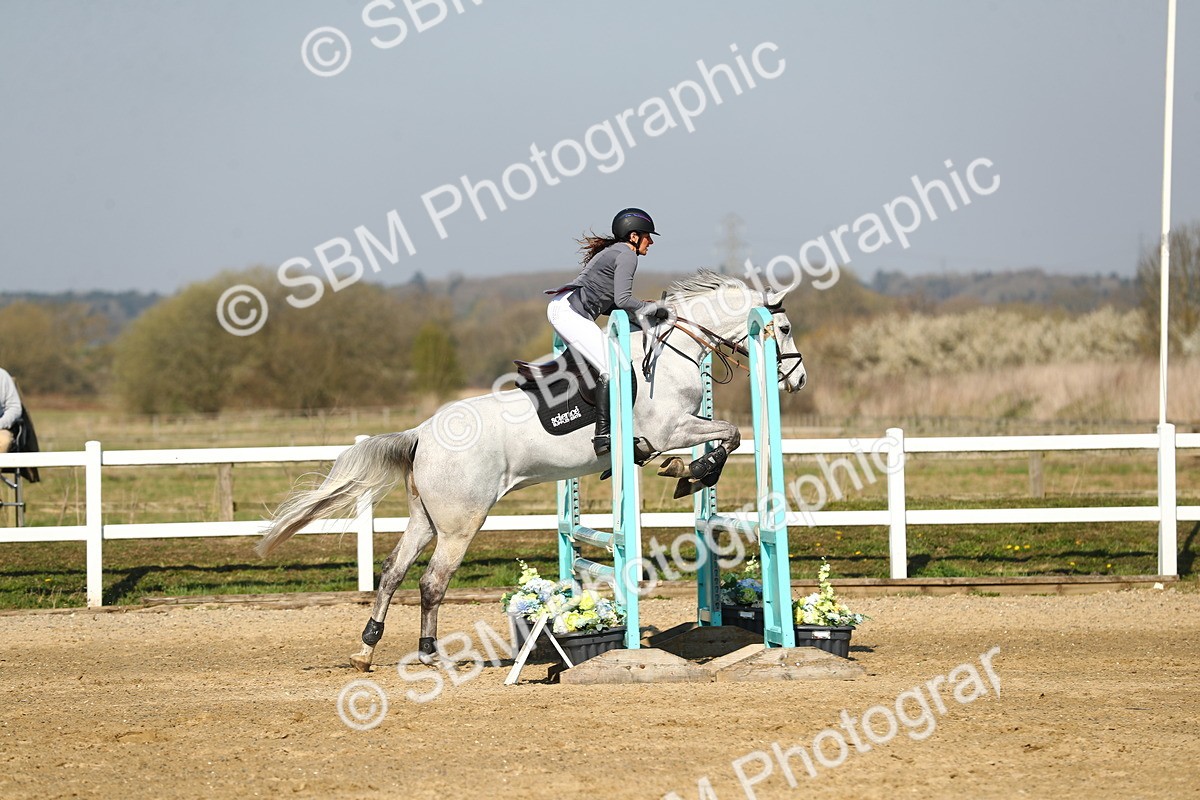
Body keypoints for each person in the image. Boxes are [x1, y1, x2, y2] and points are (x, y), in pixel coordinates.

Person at [546, 207, 670, 456]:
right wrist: (653, 308)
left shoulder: (616, 252)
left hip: (566, 308)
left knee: (614, 362)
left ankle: (613, 428)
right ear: (634, 236)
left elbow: (611, 303)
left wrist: (643, 309)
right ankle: (603, 436)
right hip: (569, 311)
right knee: (612, 366)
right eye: (648, 236)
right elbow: (624, 300)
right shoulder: (627, 255)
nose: (651, 241)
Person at [0, 367, 22, 454]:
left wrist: (1, 423)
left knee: (4, 441)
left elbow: (14, 407)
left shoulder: (2, 376)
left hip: (1, 428)